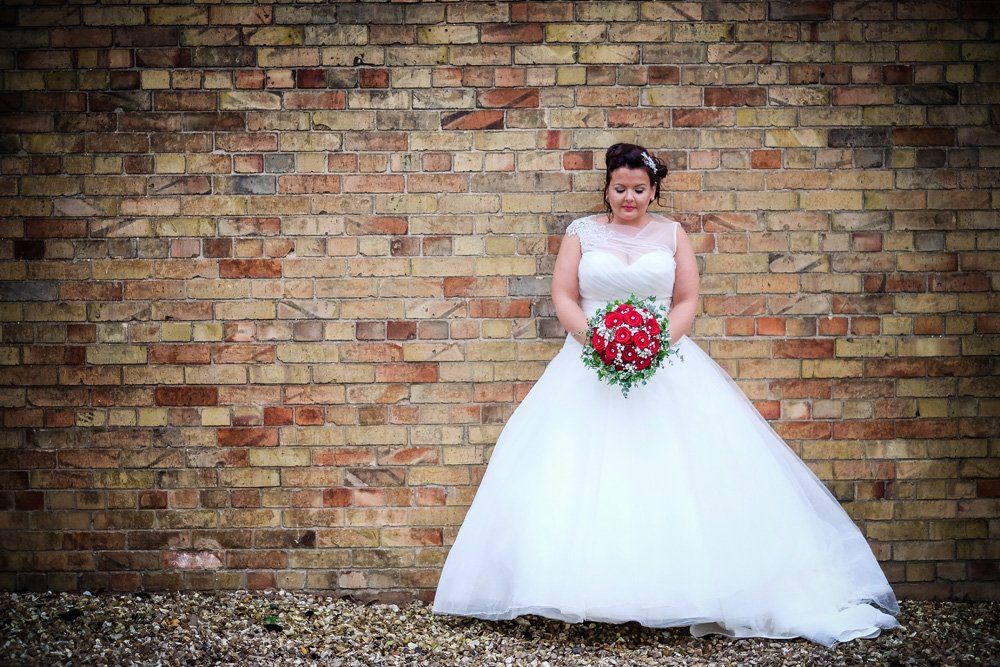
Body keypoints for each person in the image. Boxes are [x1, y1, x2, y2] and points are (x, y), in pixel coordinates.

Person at [431, 143, 901, 648]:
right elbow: (564, 296)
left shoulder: (672, 234)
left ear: (653, 191)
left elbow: (687, 299)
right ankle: (590, 589)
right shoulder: (581, 233)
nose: (628, 197)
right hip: (588, 365)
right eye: (619, 189)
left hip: (666, 362)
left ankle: (684, 591)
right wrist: (601, 342)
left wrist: (653, 344)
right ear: (607, 189)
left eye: (638, 189)